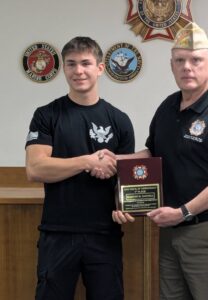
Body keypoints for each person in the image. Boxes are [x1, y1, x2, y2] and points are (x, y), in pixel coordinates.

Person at [109, 22, 208, 300]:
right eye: (180, 60)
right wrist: (116, 160)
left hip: (207, 231)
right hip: (170, 228)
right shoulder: (167, 107)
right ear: (172, 66)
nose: (187, 67)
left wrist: (184, 212)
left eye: (196, 60)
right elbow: (152, 154)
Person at [25, 36, 135, 300]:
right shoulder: (47, 115)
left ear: (100, 68)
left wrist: (126, 207)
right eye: (71, 64)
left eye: (86, 63)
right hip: (57, 232)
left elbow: (127, 180)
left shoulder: (119, 120)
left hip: (104, 234)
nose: (78, 71)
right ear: (64, 68)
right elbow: (35, 168)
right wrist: (88, 161)